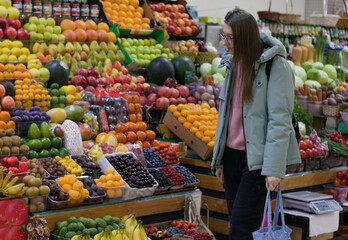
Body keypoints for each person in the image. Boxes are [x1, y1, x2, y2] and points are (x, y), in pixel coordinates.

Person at [211, 8, 301, 240]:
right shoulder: (232, 63)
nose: (225, 42)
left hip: (258, 163)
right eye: (224, 36)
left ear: (245, 37)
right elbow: (227, 115)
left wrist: (273, 169)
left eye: (230, 38)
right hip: (232, 158)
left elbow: (279, 121)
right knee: (239, 227)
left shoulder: (275, 66)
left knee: (241, 231)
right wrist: (220, 158)